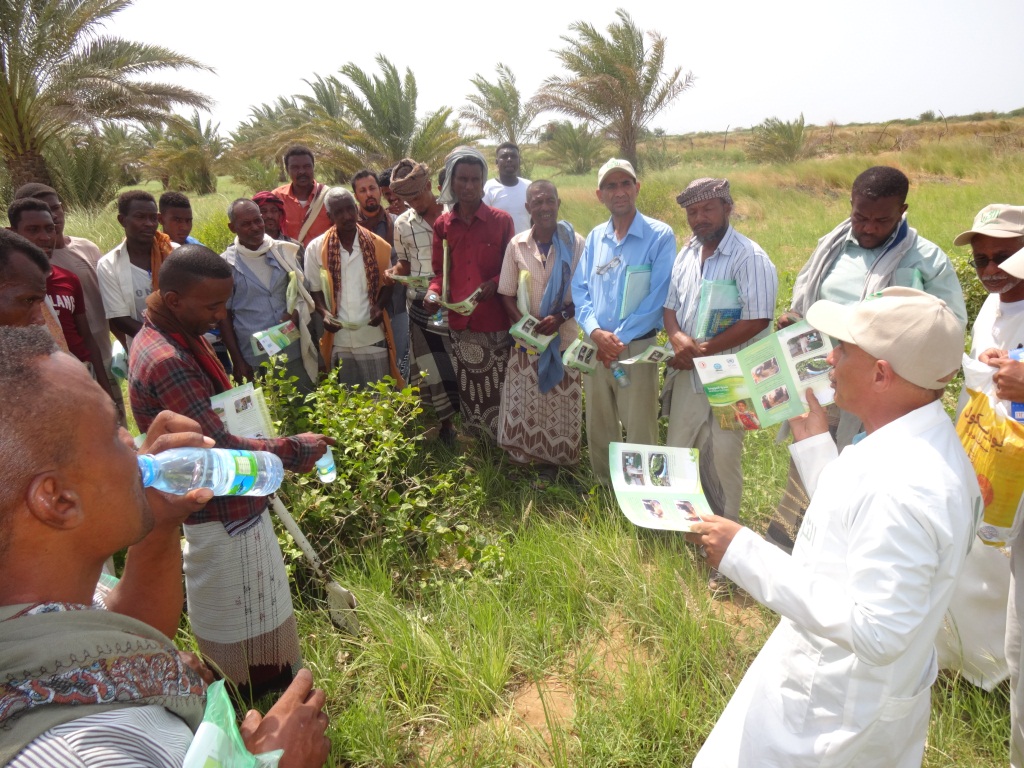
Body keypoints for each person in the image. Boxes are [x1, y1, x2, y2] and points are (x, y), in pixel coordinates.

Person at [0, 325, 331, 768]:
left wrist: (157, 524)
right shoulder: (74, 752)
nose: (136, 443)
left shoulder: (43, 605)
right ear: (58, 500)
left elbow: (124, 626)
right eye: (113, 431)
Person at [689, 287, 978, 767]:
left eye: (844, 349)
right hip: (833, 688)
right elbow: (854, 527)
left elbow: (877, 632)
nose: (831, 357)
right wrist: (815, 443)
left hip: (833, 715)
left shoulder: (906, 486)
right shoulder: (914, 442)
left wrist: (744, 554)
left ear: (881, 374)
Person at [128, 246, 334, 700]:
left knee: (251, 617)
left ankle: (264, 700)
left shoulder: (175, 334)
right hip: (220, 514)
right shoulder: (169, 360)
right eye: (212, 306)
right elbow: (217, 447)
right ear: (174, 299)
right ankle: (262, 711)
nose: (221, 315)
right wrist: (297, 450)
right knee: (241, 621)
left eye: (225, 303)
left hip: (227, 507)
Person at [767, 165, 968, 553]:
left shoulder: (927, 260)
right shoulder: (832, 246)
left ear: (902, 210)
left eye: (882, 220)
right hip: (826, 373)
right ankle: (789, 545)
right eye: (861, 216)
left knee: (859, 467)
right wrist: (797, 323)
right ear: (851, 205)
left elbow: (950, 328)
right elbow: (809, 301)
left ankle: (842, 550)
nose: (869, 228)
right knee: (809, 454)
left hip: (884, 389)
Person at [662, 178, 777, 534]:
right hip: (689, 372)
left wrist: (702, 352)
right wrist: (679, 338)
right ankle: (682, 523)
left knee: (726, 454)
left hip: (733, 377)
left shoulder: (749, 256)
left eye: (707, 209)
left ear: (727, 208)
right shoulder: (686, 253)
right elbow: (670, 307)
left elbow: (758, 318)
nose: (700, 218)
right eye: (692, 212)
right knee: (679, 445)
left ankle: (728, 533)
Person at [954, 220, 1024, 765]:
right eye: (981, 260)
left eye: (1005, 258)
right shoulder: (991, 307)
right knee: (978, 560)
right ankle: (976, 665)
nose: (990, 271)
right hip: (988, 460)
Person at [571, 158, 676, 485]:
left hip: (636, 347)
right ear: (599, 195)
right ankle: (606, 484)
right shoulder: (596, 237)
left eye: (625, 184)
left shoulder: (659, 235)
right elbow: (580, 288)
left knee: (640, 423)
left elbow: (658, 296)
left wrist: (616, 339)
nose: (619, 192)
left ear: (637, 188)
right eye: (611, 186)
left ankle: (643, 491)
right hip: (596, 345)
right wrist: (595, 332)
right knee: (600, 420)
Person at [424, 146, 515, 440]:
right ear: (451, 181)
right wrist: (433, 294)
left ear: (483, 182)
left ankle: (504, 443)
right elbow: (440, 272)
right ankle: (478, 444)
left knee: (499, 384)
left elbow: (513, 268)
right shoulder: (443, 225)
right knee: (470, 385)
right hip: (461, 324)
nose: (469, 186)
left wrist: (495, 281)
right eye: (462, 179)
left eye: (476, 180)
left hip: (494, 321)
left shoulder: (501, 221)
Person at [497, 180, 584, 481]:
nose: (544, 207)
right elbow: (506, 292)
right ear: (527, 208)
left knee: (560, 403)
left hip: (564, 339)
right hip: (527, 341)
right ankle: (523, 458)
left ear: (559, 203)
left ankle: (555, 463)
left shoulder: (578, 244)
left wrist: (560, 316)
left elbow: (586, 294)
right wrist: (525, 327)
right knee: (525, 401)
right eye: (537, 202)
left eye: (550, 201)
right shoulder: (517, 244)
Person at [12, 183, 120, 408]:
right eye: (33, 230)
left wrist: (103, 388)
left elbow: (86, 336)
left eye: (49, 228)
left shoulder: (68, 279)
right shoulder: (10, 288)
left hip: (82, 372)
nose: (44, 237)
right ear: (13, 233)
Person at [389, 158, 459, 442]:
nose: (413, 204)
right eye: (407, 200)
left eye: (417, 197)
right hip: (420, 306)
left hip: (454, 304)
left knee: (458, 364)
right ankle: (446, 427)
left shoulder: (455, 215)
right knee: (433, 370)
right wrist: (391, 274)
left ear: (430, 186)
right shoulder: (402, 224)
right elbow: (404, 263)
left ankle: (468, 423)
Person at [218, 199, 321, 392]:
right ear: (232, 228)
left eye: (258, 221)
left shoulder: (284, 252)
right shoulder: (225, 265)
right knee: (270, 414)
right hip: (255, 358)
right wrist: (238, 361)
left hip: (292, 349)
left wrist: (295, 314)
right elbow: (223, 316)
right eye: (246, 224)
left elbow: (304, 293)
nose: (255, 227)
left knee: (304, 405)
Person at [305, 188, 403, 387]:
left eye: (350, 209)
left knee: (378, 401)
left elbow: (388, 283)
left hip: (371, 336)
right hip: (338, 340)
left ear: (356, 209)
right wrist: (324, 313)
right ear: (329, 215)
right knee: (347, 404)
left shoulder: (379, 246)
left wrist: (380, 306)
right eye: (339, 212)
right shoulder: (316, 249)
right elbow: (314, 289)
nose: (347, 216)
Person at [97, 190, 176, 345]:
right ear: (122, 220)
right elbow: (120, 319)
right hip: (144, 349)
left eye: (153, 218)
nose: (149, 224)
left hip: (186, 344)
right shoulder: (109, 265)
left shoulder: (175, 253)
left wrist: (180, 339)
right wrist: (165, 340)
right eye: (140, 217)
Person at [353, 169, 408, 378]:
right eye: (363, 190)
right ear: (356, 195)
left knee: (400, 358)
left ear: (380, 191)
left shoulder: (398, 222)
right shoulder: (350, 228)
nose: (369, 194)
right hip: (365, 310)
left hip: (398, 305)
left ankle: (401, 405)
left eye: (372, 188)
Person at [273, 145, 332, 246]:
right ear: (287, 170)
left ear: (313, 167)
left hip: (320, 259)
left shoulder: (329, 197)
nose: (302, 171)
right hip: (286, 260)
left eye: (307, 166)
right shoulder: (276, 197)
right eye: (295, 167)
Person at [483, 142, 531, 234]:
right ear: (497, 162)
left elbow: (534, 219)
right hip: (499, 247)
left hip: (525, 245)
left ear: (519, 161)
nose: (509, 160)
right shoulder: (488, 188)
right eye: (504, 157)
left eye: (513, 156)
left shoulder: (529, 187)